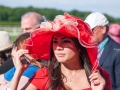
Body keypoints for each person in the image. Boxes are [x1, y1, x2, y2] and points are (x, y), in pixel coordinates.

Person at [6, 13, 111, 90]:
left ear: (80, 46)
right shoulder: (45, 74)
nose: (58, 47)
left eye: (65, 41)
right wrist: (18, 71)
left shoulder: (99, 77)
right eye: (55, 42)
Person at [84, 12, 120, 90]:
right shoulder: (85, 48)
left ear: (103, 29)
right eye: (85, 30)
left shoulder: (118, 51)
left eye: (91, 30)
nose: (87, 34)